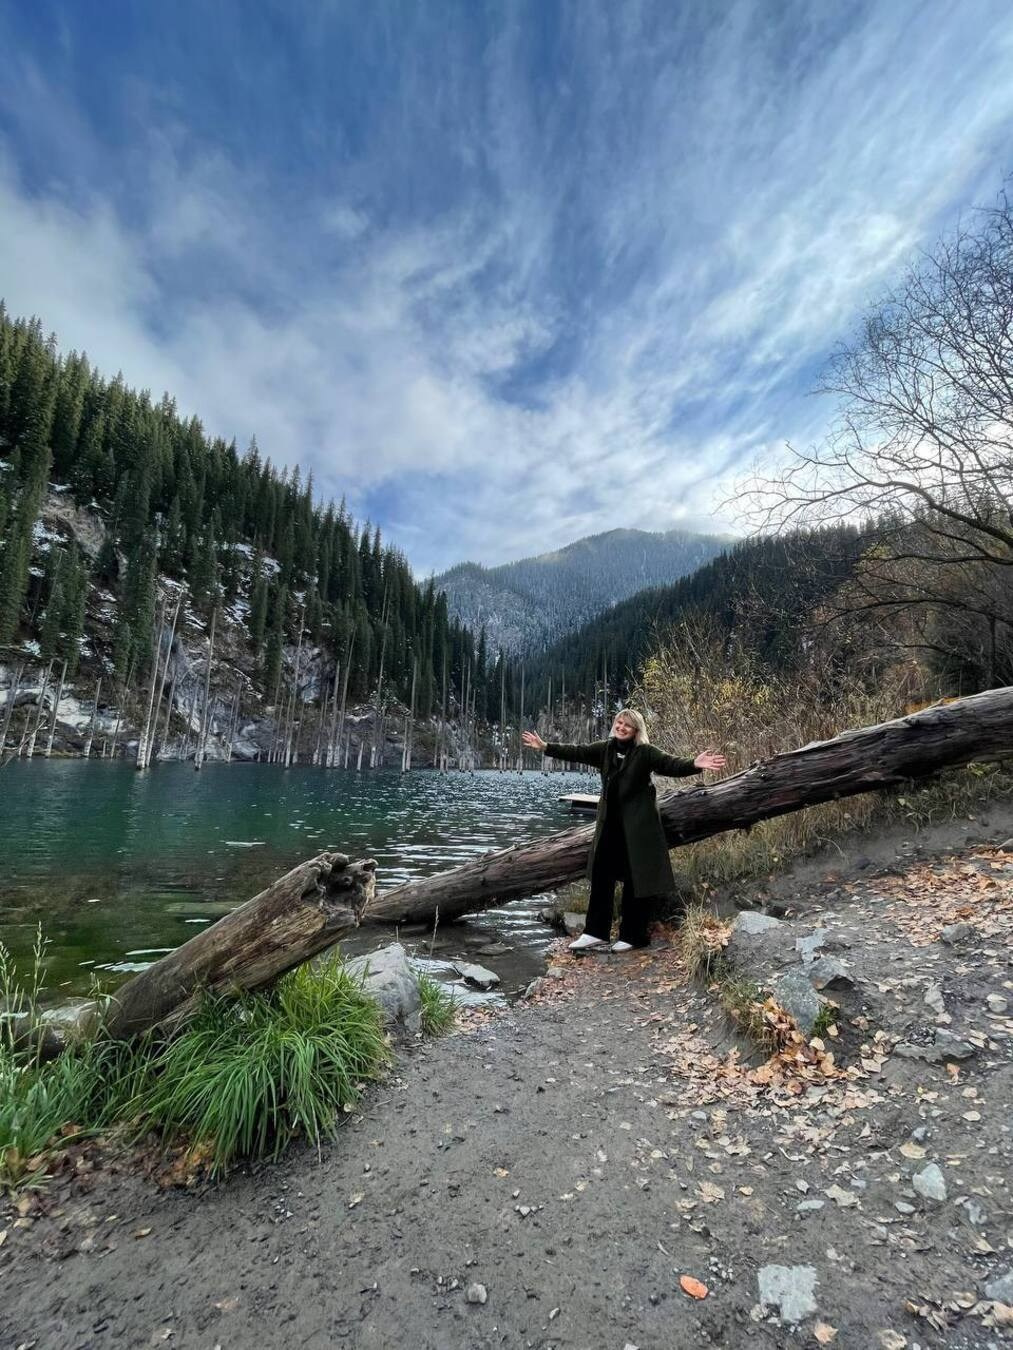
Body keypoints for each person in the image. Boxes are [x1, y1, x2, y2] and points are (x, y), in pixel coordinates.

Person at [522, 710, 725, 953]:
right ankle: (594, 933)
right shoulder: (605, 749)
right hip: (610, 826)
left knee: (635, 880)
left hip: (638, 829)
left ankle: (633, 935)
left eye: (627, 725)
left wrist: (694, 764)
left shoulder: (645, 752)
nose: (621, 727)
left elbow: (669, 764)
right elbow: (577, 751)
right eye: (619, 722)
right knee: (601, 876)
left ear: (636, 730)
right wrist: (545, 746)